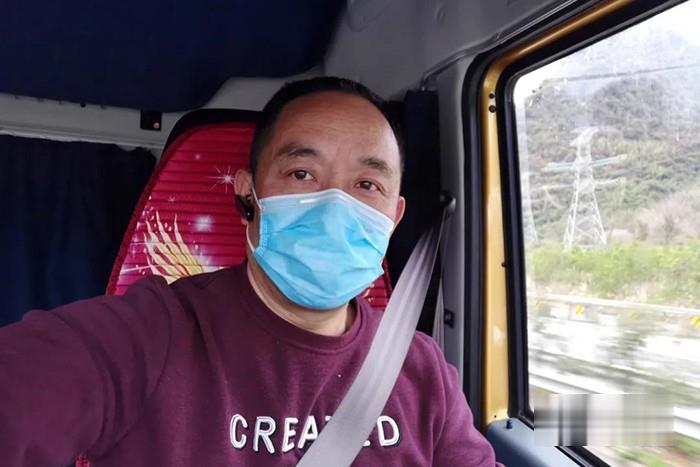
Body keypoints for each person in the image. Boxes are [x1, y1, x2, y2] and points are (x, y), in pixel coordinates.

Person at [0, 77, 502, 466]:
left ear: (394, 217)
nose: (335, 207)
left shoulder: (422, 369)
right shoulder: (153, 334)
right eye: (302, 173)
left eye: (367, 184)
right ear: (247, 194)